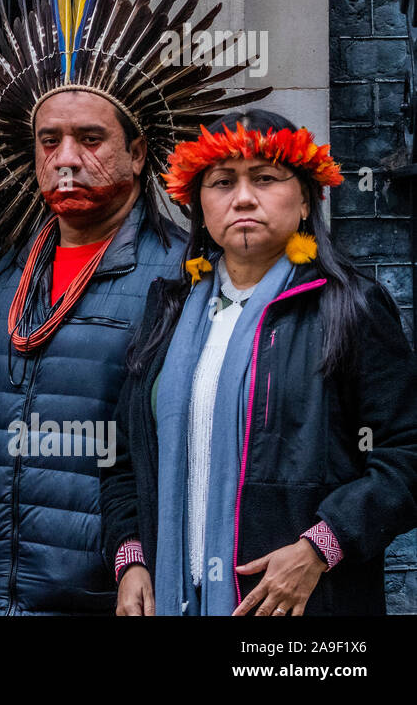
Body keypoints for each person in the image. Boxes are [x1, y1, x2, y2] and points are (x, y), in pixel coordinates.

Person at [0, 0, 268, 613]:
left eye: (90, 139)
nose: (67, 158)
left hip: (115, 590)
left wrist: (137, 557)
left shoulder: (183, 276)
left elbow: (195, 434)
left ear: (139, 154)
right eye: (49, 140)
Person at [100, 109, 417, 616]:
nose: (243, 197)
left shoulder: (349, 308)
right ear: (199, 206)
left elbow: (406, 454)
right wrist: (132, 557)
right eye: (222, 182)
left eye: (265, 178)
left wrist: (319, 549)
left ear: (308, 200)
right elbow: (121, 457)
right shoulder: (169, 310)